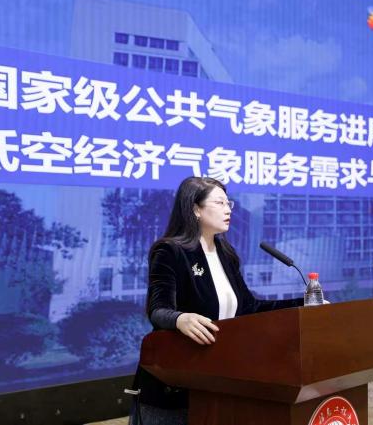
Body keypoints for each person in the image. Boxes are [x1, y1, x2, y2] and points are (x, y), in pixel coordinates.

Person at [129, 177, 303, 425]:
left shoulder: (226, 254)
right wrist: (180, 319)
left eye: (228, 203)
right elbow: (158, 310)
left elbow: (250, 308)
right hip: (175, 382)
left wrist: (303, 304)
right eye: (220, 203)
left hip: (218, 380)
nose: (228, 209)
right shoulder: (170, 251)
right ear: (196, 209)